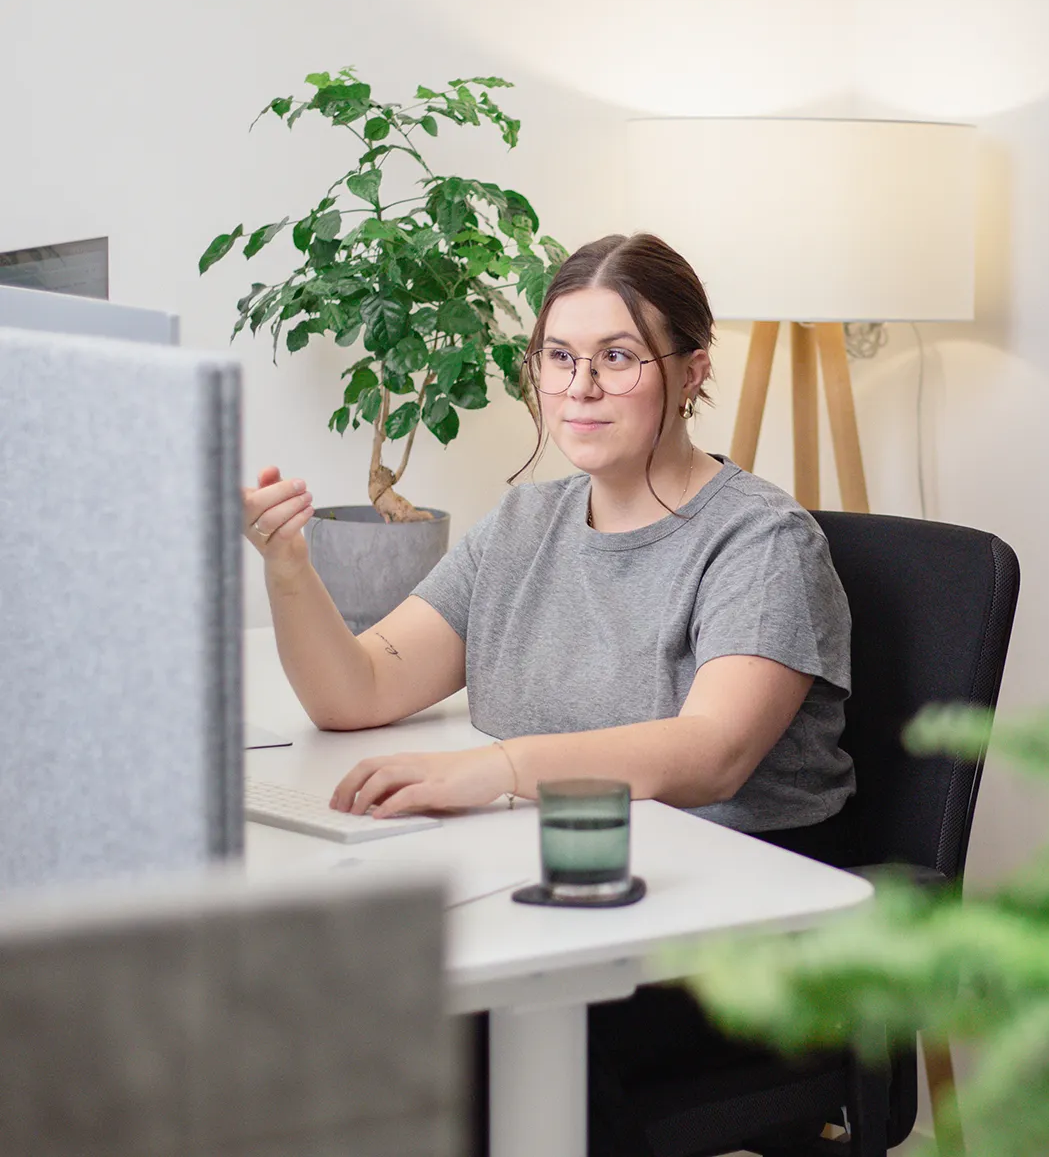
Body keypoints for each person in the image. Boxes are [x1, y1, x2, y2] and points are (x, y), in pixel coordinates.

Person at [243, 231, 855, 1155]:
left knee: (417, 1047)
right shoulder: (525, 522)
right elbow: (358, 690)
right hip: (545, 895)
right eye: (559, 359)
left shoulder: (762, 543)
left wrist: (491, 771)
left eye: (617, 358)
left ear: (692, 371)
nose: (581, 388)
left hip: (715, 950)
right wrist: (288, 567)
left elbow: (709, 752)